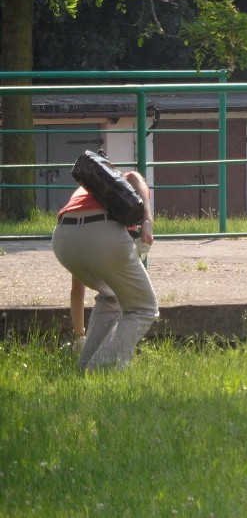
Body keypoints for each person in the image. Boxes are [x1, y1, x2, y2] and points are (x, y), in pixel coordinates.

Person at [52, 155, 158, 369]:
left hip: (63, 238)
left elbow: (77, 288)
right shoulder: (123, 179)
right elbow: (136, 177)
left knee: (110, 296)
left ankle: (86, 365)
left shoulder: (83, 192)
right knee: (144, 308)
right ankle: (101, 367)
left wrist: (79, 334)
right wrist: (147, 223)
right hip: (102, 231)